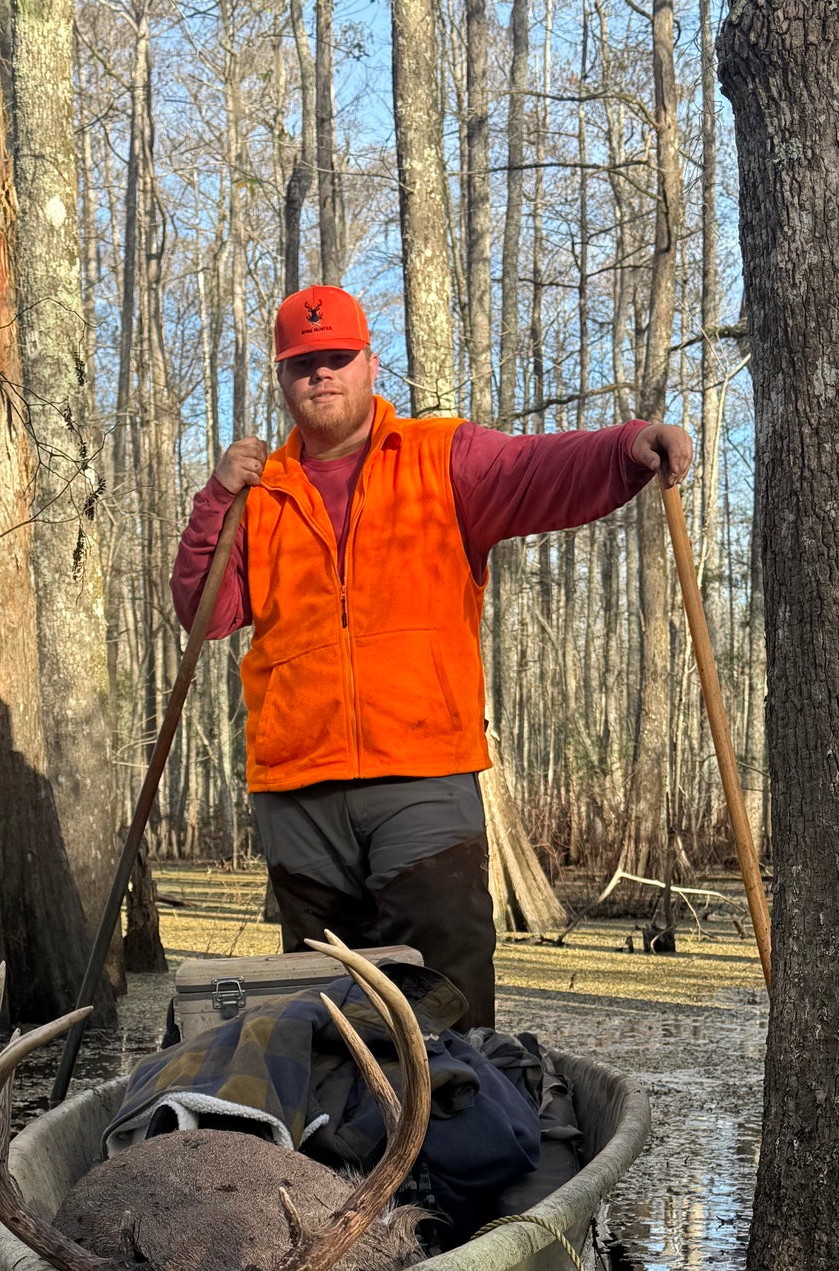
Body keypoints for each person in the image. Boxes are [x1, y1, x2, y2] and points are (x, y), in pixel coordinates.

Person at [172, 284, 692, 1028]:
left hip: (422, 775)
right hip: (296, 786)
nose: (322, 374)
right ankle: (347, 1113)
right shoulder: (260, 493)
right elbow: (206, 613)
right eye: (303, 363)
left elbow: (536, 468)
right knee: (326, 1018)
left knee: (446, 998)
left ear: (370, 364)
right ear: (282, 377)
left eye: (337, 357)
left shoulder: (440, 458)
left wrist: (627, 447)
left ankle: (461, 1106)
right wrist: (218, 497)